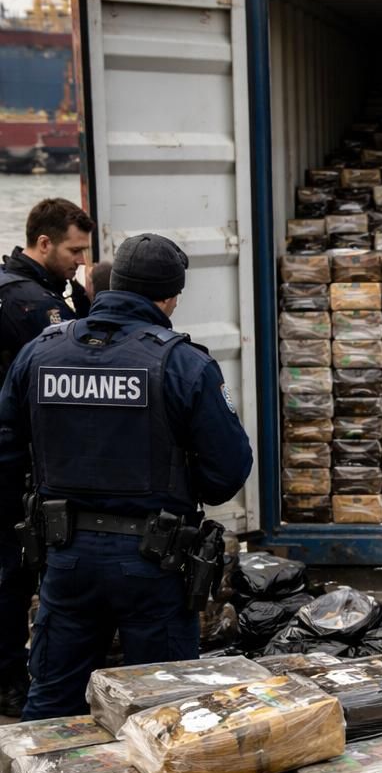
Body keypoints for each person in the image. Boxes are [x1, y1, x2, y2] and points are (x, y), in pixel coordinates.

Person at [0, 231, 253, 719]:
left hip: (64, 556)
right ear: (169, 295)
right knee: (163, 716)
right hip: (153, 562)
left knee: (53, 708)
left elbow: (6, 449)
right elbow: (227, 472)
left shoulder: (41, 351)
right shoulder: (182, 362)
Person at [0, 197, 94, 716]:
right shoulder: (28, 303)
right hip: (12, 461)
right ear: (43, 244)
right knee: (12, 573)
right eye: (74, 250)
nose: (81, 260)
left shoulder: (42, 291)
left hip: (21, 455)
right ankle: (10, 678)